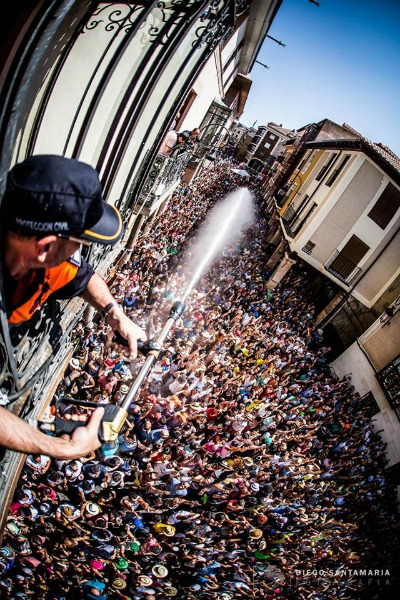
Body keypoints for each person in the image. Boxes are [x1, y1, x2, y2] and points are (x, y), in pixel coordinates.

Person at [0, 154, 146, 458]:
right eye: (78, 243)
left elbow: (85, 277)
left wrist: (114, 314)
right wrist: (62, 448)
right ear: (45, 247)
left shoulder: (45, 257)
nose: (79, 253)